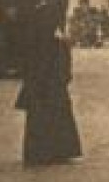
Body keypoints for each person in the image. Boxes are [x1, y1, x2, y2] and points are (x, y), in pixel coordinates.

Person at [16, 12, 83, 166]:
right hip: (54, 88)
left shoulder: (34, 43)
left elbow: (27, 66)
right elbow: (66, 70)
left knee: (38, 119)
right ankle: (59, 151)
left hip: (39, 88)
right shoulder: (59, 44)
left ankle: (39, 153)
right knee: (58, 117)